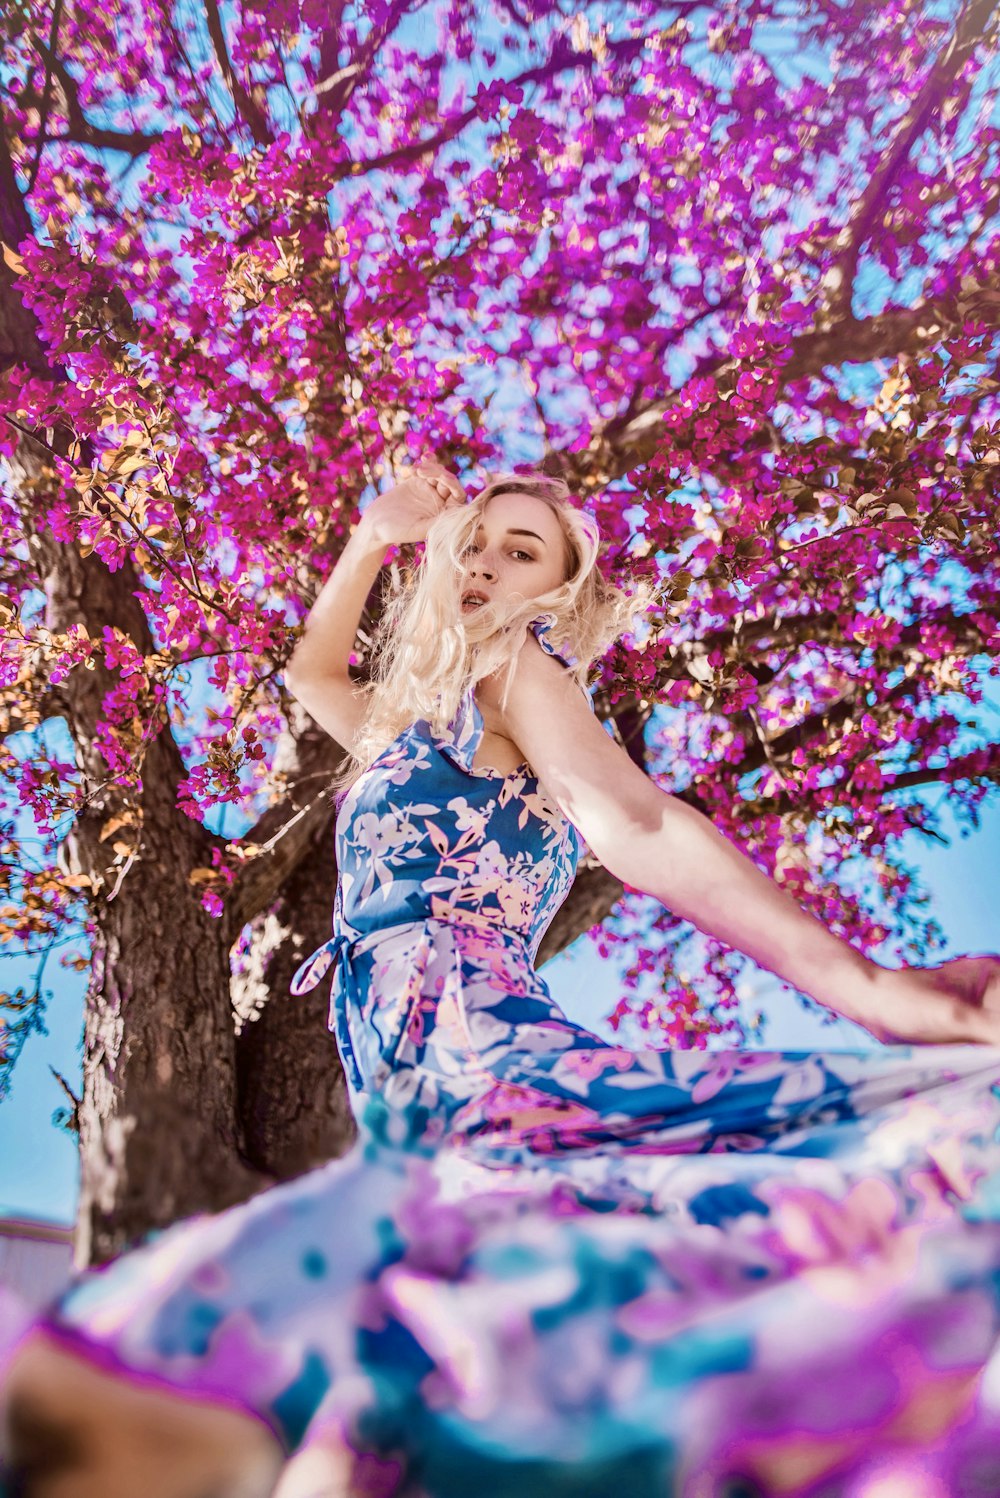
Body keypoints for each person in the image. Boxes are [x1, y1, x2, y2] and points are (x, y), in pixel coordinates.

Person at [4, 463, 1000, 1498]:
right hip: (404, 1074)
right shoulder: (416, 724)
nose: (485, 560)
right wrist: (374, 534)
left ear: (560, 592)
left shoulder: (515, 667)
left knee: (495, 1263)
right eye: (475, 541)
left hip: (469, 1036)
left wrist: (865, 986)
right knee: (468, 1300)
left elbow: (638, 820)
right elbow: (314, 678)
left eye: (521, 549)